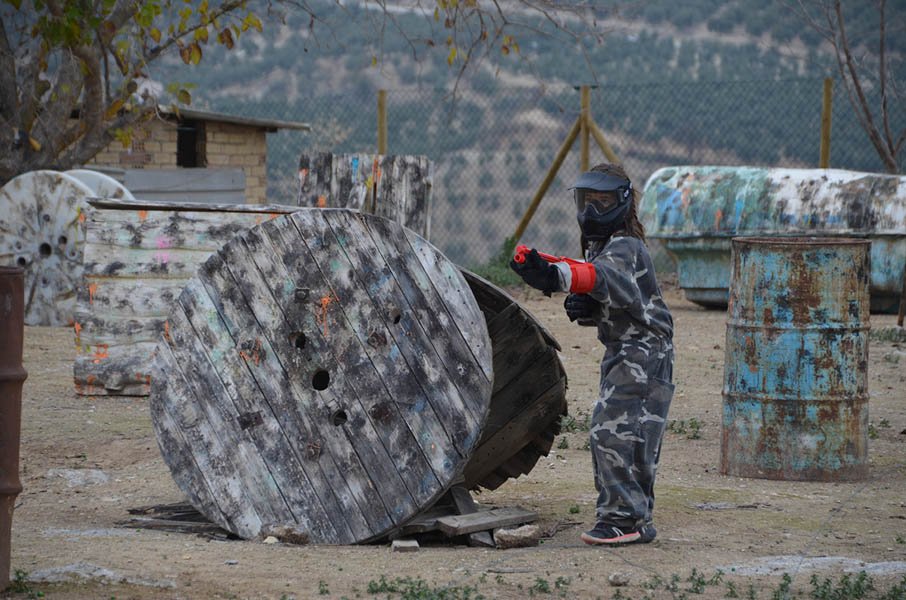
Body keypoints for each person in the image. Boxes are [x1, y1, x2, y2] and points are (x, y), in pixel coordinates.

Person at [510, 163, 675, 545]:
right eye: (588, 202)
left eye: (602, 203)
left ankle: (625, 519)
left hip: (644, 353)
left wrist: (557, 276)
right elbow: (605, 288)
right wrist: (586, 307)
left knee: (615, 431)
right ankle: (629, 515)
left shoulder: (627, 247)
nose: (592, 212)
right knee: (625, 433)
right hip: (626, 352)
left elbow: (598, 278)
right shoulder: (605, 247)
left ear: (621, 203)